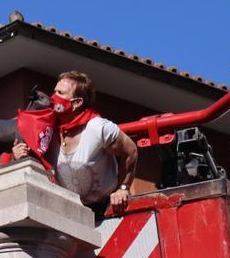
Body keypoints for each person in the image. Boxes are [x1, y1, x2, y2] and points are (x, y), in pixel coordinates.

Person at [13, 71, 138, 218]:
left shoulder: (98, 128)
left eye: (60, 93)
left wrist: (123, 189)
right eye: (54, 92)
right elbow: (36, 164)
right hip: (68, 211)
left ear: (77, 103)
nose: (53, 98)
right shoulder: (46, 131)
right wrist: (19, 157)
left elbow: (131, 152)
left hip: (106, 210)